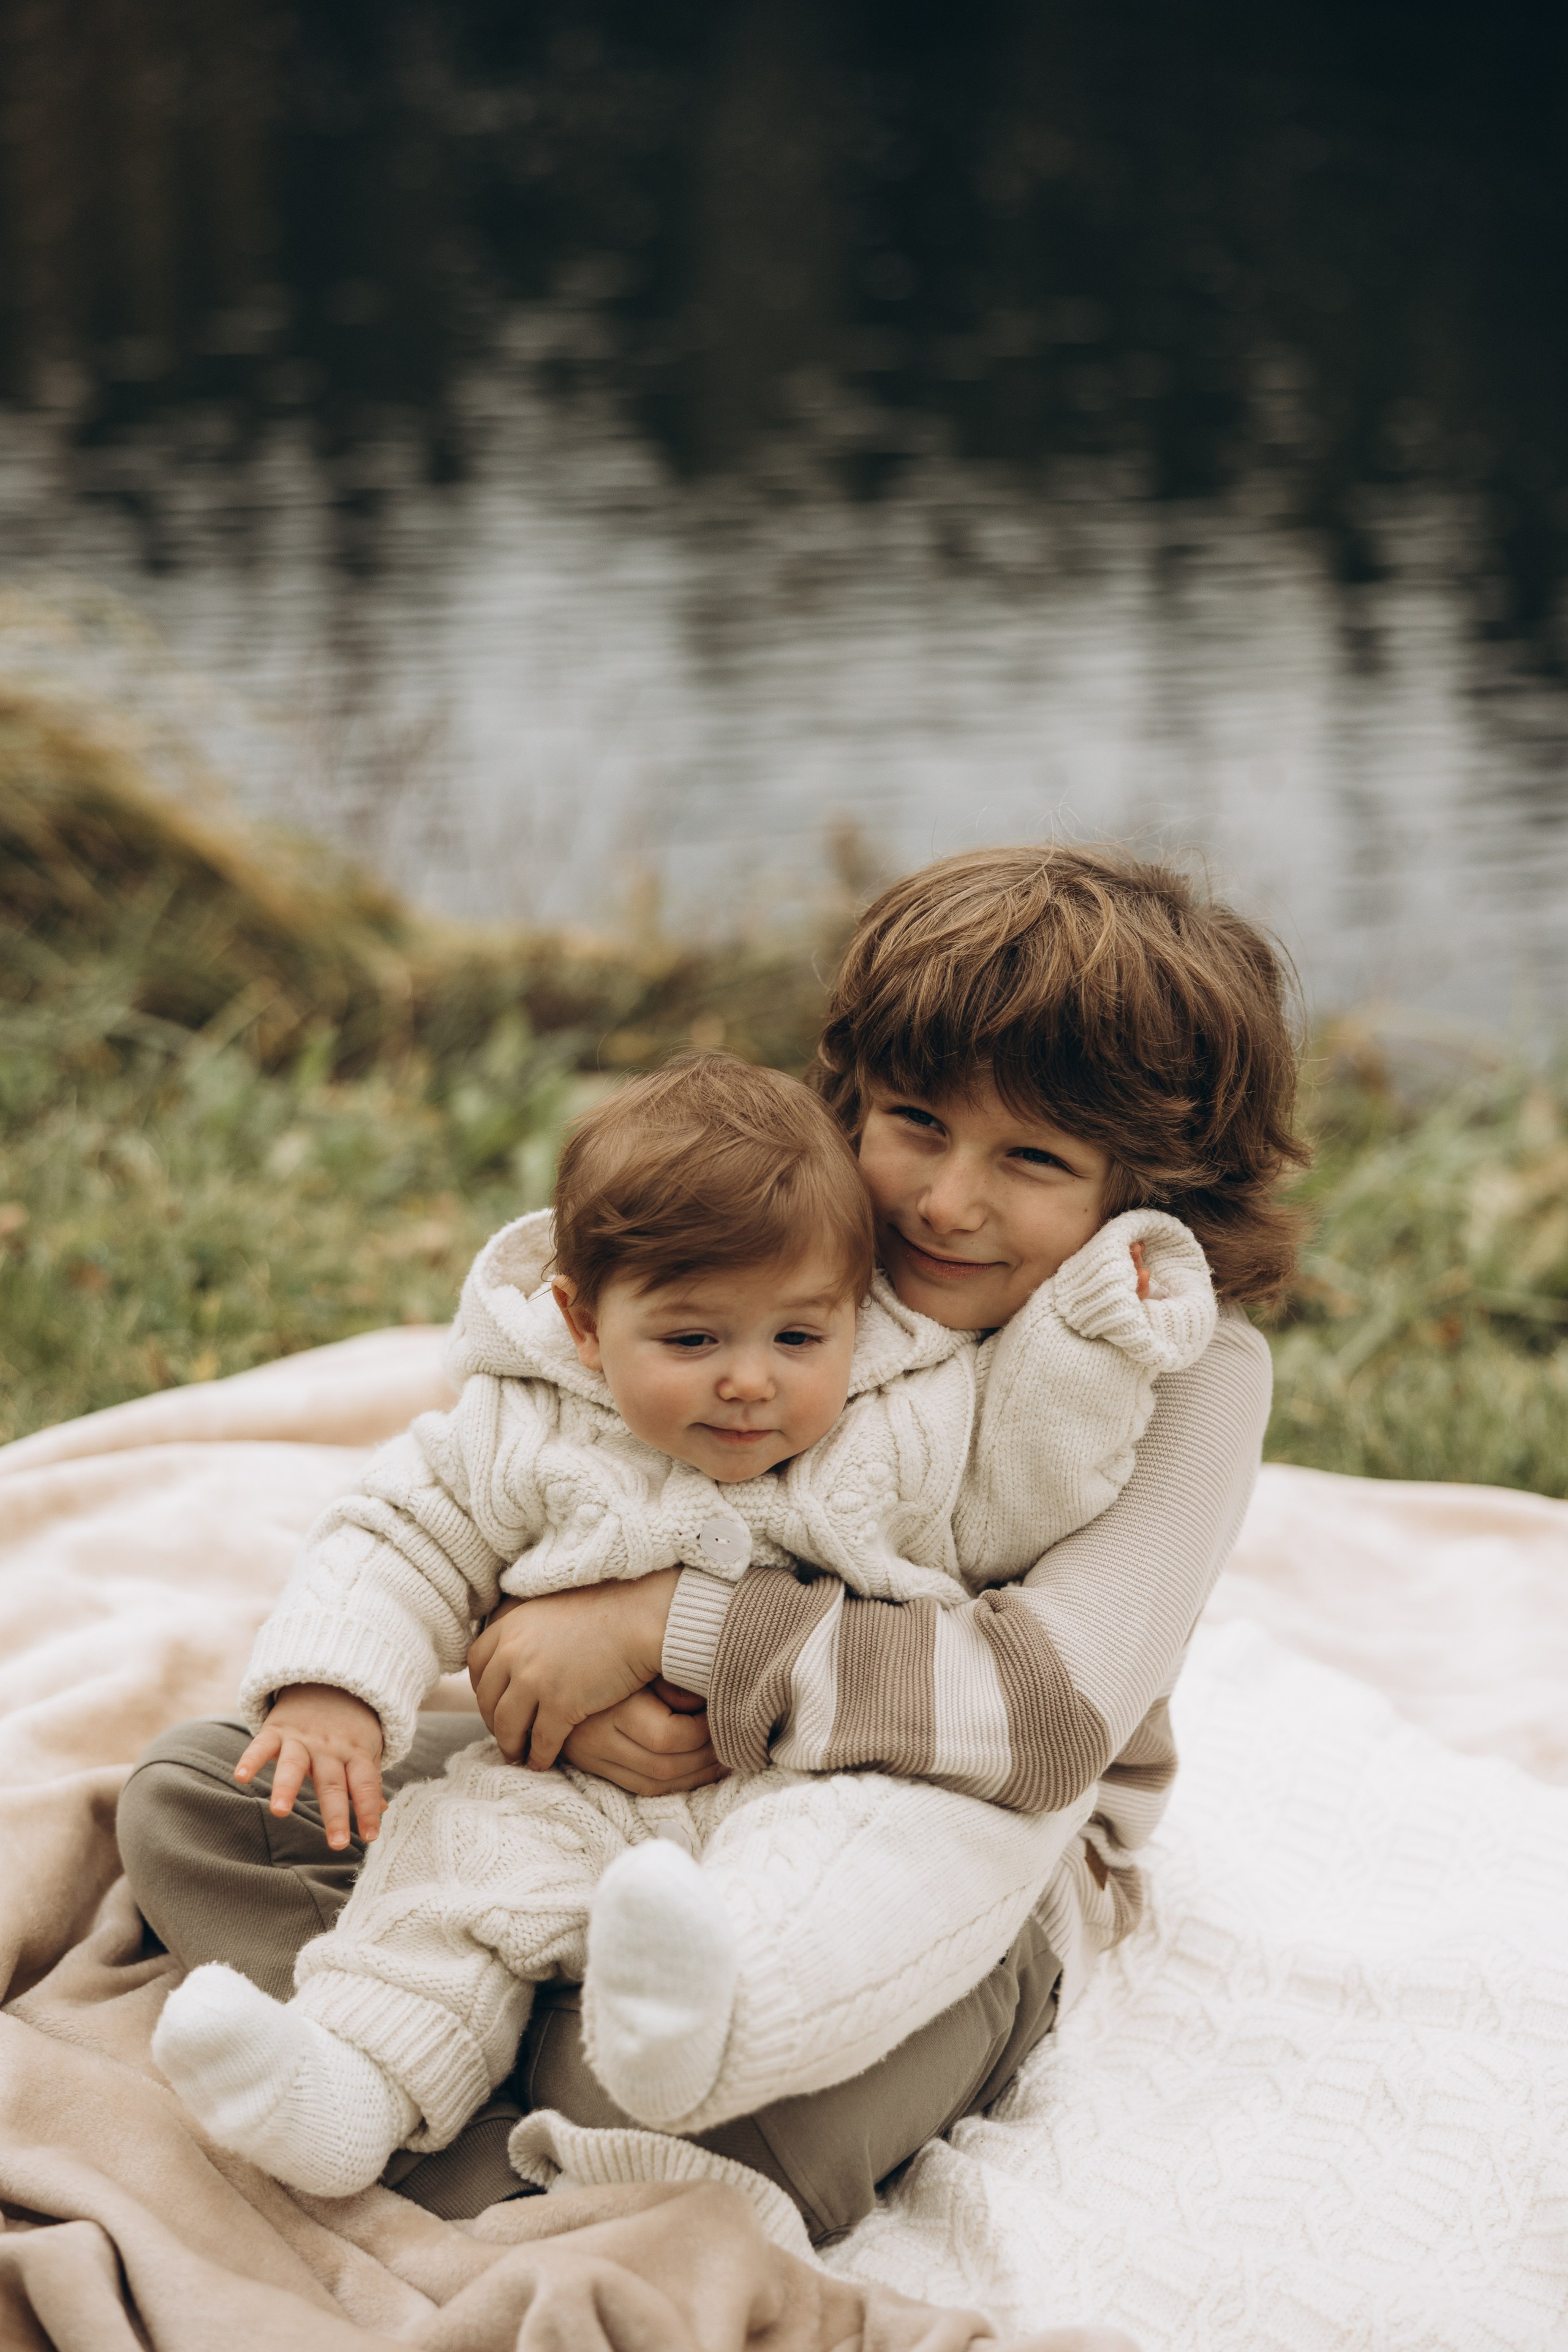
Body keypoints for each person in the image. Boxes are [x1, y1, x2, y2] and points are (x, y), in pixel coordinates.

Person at [119, 842, 1301, 2242]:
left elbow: (1044, 1715)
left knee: (738, 2090)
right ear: (850, 1095)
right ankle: (436, 2043)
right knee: (200, 1795)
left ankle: (545, 2077)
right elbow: (531, 1490)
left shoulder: (1186, 1370)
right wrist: (527, 1688)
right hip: (616, 1796)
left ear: (1145, 1188)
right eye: (914, 1123)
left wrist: (657, 1633)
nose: (944, 1202)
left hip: (952, 1844)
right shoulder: (788, 1259)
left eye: (1030, 1161)